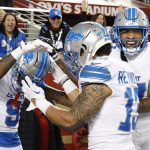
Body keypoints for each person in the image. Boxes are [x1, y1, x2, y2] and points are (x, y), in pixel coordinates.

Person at [21, 22, 139, 150]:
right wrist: (51, 84)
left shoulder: (97, 69)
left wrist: (39, 101)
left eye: (75, 50)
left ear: (85, 48)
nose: (73, 56)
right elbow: (83, 101)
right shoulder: (123, 67)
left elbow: (71, 121)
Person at [0, 38, 54, 150]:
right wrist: (20, 50)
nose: (24, 80)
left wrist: (61, 75)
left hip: (13, 142)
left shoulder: (31, 80)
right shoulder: (5, 65)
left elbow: (65, 99)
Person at [111, 7, 150, 150]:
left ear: (145, 33)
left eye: (137, 31)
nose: (131, 36)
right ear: (117, 33)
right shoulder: (109, 54)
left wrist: (117, 105)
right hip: (118, 128)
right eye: (126, 31)